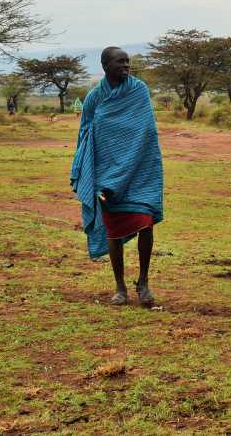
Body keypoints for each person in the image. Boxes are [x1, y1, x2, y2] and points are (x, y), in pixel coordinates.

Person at [71, 47, 163, 308]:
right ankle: (120, 286)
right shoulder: (94, 98)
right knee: (113, 230)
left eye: (127, 62)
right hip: (106, 174)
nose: (126, 66)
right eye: (120, 62)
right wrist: (86, 170)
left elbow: (145, 132)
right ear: (105, 66)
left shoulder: (139, 91)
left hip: (140, 171)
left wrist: (124, 173)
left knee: (145, 223)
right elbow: (85, 135)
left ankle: (143, 283)